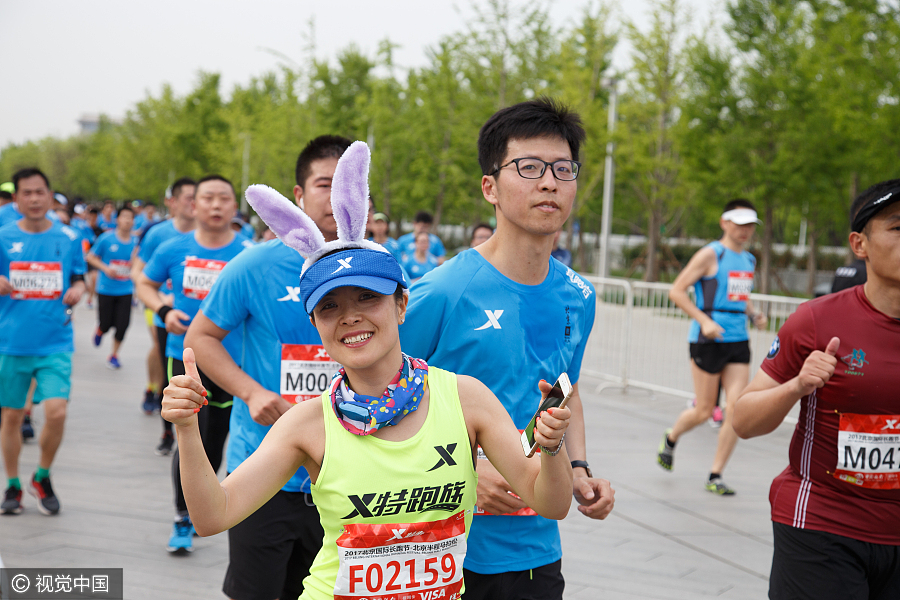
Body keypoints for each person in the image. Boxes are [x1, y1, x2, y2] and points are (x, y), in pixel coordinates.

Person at [163, 141, 575, 600]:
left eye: (368, 298)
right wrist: (186, 428)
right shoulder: (307, 423)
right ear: (316, 325)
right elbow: (212, 515)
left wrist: (553, 448)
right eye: (330, 307)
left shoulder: (465, 398)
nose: (351, 316)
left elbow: (551, 503)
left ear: (402, 305)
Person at [399, 98, 615, 600]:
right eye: (530, 168)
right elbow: (376, 397)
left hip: (537, 553)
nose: (549, 183)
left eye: (564, 169)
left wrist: (579, 470)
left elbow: (568, 391)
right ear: (489, 187)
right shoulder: (443, 291)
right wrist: (465, 469)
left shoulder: (578, 296)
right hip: (437, 551)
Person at [183, 135, 350, 598]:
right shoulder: (253, 265)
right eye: (324, 184)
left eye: (349, 186)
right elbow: (200, 338)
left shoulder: (378, 271)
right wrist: (251, 391)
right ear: (298, 195)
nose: (337, 197)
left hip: (347, 476)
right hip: (263, 472)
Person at [734, 179, 900, 599]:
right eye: (898, 228)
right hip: (823, 526)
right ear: (859, 244)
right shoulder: (816, 322)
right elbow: (744, 420)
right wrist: (796, 385)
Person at [136, 175, 252, 554]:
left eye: (224, 198)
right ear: (193, 205)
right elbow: (145, 284)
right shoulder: (173, 249)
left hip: (234, 363)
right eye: (208, 198)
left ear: (234, 207)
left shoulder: (249, 254)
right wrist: (163, 309)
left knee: (215, 440)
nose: (216, 205)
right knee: (191, 438)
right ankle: (182, 517)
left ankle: (203, 504)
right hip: (184, 357)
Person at [656, 199, 767, 495]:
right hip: (707, 339)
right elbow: (677, 291)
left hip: (738, 340)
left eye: (749, 226)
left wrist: (754, 313)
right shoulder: (710, 254)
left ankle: (715, 474)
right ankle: (671, 437)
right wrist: (704, 321)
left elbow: (741, 295)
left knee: (735, 408)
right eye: (739, 224)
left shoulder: (749, 260)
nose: (744, 231)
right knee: (705, 409)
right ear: (724, 223)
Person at [0, 168, 86, 516]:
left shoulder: (68, 237)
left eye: (40, 192)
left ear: (50, 196)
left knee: (57, 411)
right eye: (27, 193)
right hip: (11, 343)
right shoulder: (3, 236)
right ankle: (13, 485)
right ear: (17, 199)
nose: (34, 199)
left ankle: (43, 474)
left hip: (56, 341)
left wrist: (78, 291)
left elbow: (79, 278)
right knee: (10, 417)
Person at [131, 178, 195, 425]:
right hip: (161, 305)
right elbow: (137, 272)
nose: (193, 203)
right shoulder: (158, 233)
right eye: (188, 197)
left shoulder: (212, 234)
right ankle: (155, 391)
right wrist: (160, 299)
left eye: (196, 197)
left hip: (195, 312)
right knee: (161, 349)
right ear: (173, 202)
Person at [87, 204, 137, 369]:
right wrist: (106, 268)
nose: (127, 221)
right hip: (106, 289)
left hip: (126, 290)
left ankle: (114, 354)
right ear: (118, 220)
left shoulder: (136, 243)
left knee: (123, 325)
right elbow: (91, 257)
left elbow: (142, 265)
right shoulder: (106, 239)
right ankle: (101, 329)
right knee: (106, 323)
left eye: (130, 218)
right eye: (124, 217)